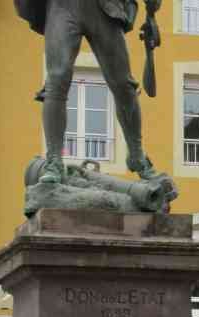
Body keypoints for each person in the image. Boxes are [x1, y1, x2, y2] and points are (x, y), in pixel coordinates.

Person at [13, 0, 161, 184]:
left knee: (124, 85)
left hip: (103, 6)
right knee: (56, 79)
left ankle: (137, 156)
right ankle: (54, 161)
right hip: (62, 7)